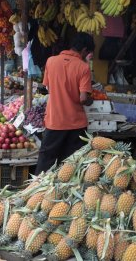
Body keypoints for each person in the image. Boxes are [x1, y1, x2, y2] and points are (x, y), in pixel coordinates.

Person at [35, 32, 95, 175]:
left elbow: (47, 87)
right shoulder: (83, 68)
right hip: (76, 125)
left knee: (45, 161)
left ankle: (36, 192)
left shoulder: (51, 61)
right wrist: (91, 100)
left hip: (54, 121)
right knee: (71, 165)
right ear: (85, 50)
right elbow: (83, 98)